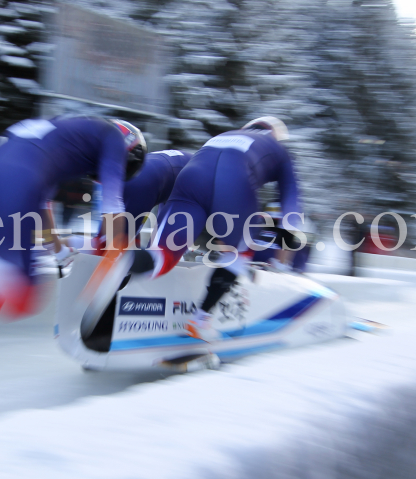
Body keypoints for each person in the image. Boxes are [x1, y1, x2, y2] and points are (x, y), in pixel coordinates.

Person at [0, 116, 146, 417]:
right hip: (17, 179)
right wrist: (118, 252)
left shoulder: (60, 130)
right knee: (24, 298)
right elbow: (111, 205)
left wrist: (58, 250)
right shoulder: (113, 137)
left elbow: (42, 204)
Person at [128, 116, 303, 341]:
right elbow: (291, 198)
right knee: (238, 255)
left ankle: (126, 264)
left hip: (189, 180)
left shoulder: (223, 136)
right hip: (233, 181)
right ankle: (200, 320)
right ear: (275, 135)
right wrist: (288, 233)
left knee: (160, 253)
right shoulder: (278, 150)